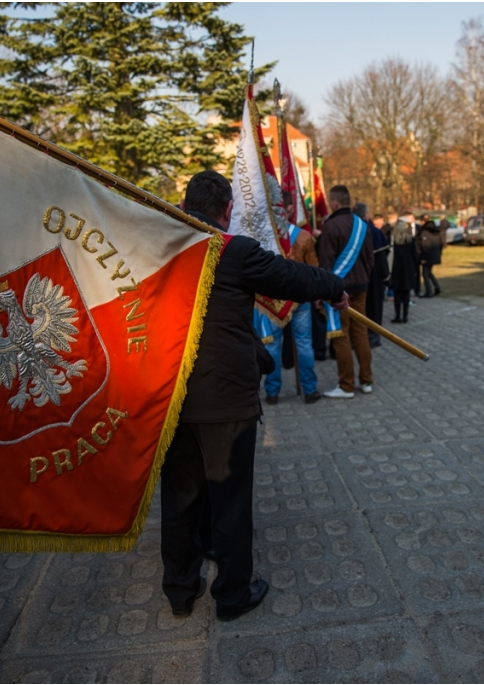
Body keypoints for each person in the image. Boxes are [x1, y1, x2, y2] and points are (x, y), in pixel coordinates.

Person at [164, 171, 347, 621]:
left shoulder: (159, 250)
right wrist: (333, 288)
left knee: (180, 500)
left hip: (169, 399)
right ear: (227, 209)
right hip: (225, 402)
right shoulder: (232, 251)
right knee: (229, 501)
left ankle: (181, 592)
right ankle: (231, 595)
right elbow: (290, 277)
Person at [263, 191, 325, 405]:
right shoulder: (305, 236)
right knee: (304, 343)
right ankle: (309, 390)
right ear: (289, 208)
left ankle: (272, 392)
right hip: (300, 297)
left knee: (273, 346)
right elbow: (314, 269)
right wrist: (318, 295)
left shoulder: (266, 236)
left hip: (274, 298)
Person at [317, 185, 374, 399]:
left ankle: (346, 385)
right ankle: (366, 380)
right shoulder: (362, 224)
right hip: (361, 287)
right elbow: (370, 259)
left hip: (339, 291)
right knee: (360, 333)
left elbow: (325, 265)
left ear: (334, 203)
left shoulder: (330, 226)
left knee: (341, 336)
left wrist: (322, 293)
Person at [358, 205, 390, 349]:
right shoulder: (375, 232)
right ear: (366, 214)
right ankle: (373, 337)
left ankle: (357, 338)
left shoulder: (350, 230)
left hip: (354, 277)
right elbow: (383, 258)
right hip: (374, 277)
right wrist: (385, 277)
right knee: (374, 307)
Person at [389, 218, 417, 323]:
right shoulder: (410, 241)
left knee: (397, 294)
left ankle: (397, 315)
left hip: (396, 269)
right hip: (408, 268)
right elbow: (415, 256)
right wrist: (414, 269)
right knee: (406, 293)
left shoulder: (393, 241)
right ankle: (405, 315)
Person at [416, 215, 443, 297]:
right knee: (429, 273)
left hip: (428, 256)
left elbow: (425, 246)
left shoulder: (425, 232)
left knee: (425, 274)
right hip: (435, 255)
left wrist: (423, 257)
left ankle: (429, 291)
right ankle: (437, 287)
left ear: (422, 221)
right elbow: (440, 244)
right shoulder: (436, 231)